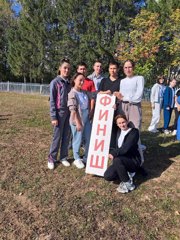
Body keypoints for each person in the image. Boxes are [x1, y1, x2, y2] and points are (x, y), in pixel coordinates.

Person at [104, 114, 142, 193]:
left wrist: (114, 153)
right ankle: (125, 173)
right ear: (117, 124)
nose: (122, 125)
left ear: (127, 121)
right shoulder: (117, 132)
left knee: (117, 160)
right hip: (120, 161)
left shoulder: (134, 132)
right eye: (119, 123)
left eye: (123, 122)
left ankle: (128, 183)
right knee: (108, 176)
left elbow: (126, 147)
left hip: (133, 160)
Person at [48, 59, 71, 170]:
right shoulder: (55, 82)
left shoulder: (69, 83)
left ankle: (63, 157)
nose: (66, 70)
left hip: (69, 113)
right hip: (59, 113)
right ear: (60, 69)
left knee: (66, 136)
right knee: (57, 137)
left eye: (68, 68)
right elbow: (52, 100)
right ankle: (52, 158)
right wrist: (54, 116)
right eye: (64, 68)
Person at [68, 73, 94, 169]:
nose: (82, 82)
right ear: (74, 80)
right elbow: (73, 110)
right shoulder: (72, 93)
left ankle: (86, 156)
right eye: (80, 80)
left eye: (83, 80)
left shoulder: (84, 92)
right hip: (77, 118)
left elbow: (95, 95)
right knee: (77, 139)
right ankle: (77, 158)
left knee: (88, 138)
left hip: (86, 118)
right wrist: (78, 123)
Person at [116, 59, 144, 130]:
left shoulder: (139, 78)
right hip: (122, 107)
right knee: (122, 128)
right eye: (125, 67)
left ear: (133, 68)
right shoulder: (122, 81)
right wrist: (117, 102)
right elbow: (120, 96)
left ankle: (135, 141)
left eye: (130, 67)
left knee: (135, 127)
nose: (128, 70)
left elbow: (138, 97)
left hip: (134, 106)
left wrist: (124, 98)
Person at [98, 60, 121, 148]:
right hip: (104, 110)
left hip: (116, 108)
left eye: (114, 68)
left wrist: (117, 103)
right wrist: (106, 92)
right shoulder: (104, 80)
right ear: (108, 69)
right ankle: (102, 146)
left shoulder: (120, 81)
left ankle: (112, 147)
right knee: (104, 128)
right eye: (111, 68)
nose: (112, 70)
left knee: (114, 128)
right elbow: (99, 92)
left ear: (117, 69)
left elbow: (122, 95)